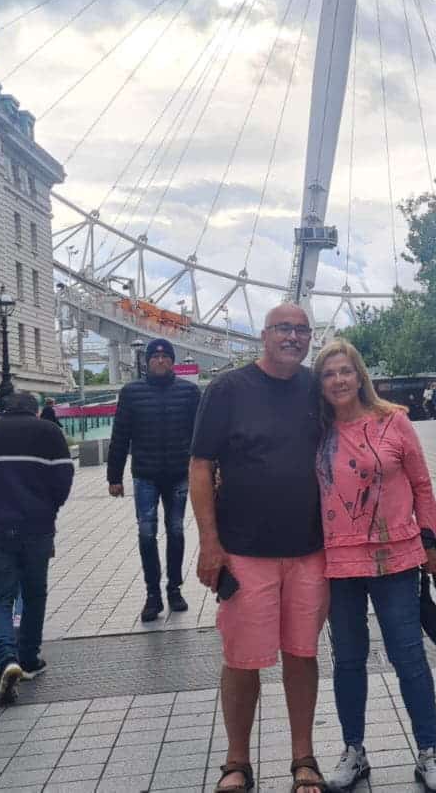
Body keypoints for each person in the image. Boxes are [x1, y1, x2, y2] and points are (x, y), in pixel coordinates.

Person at [190, 304, 329, 793]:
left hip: (310, 548)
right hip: (245, 551)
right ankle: (236, 761)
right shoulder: (227, 389)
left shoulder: (316, 387)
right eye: (283, 328)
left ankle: (303, 757)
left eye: (301, 329)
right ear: (263, 335)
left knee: (302, 654)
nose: (293, 336)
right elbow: (201, 465)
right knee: (242, 659)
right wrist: (209, 543)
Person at [313, 341, 436, 792]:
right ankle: (353, 751)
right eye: (328, 374)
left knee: (408, 656)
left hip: (396, 556)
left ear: (360, 376)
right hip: (337, 559)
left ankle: (429, 752)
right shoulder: (314, 430)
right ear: (319, 383)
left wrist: (430, 543)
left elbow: (421, 484)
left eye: (345, 371)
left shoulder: (394, 421)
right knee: (347, 659)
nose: (338, 380)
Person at [0, 391, 75, 705]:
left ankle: (5, 660)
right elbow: (63, 478)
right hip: (37, 526)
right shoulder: (49, 432)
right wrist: (50, 509)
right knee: (34, 593)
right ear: (35, 411)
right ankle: (29, 658)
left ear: (2, 410)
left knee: (0, 599)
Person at [108, 337, 202, 622]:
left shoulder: (189, 392)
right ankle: (152, 595)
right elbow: (120, 435)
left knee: (176, 531)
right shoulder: (131, 393)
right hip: (145, 475)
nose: (160, 361)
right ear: (148, 362)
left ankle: (174, 589)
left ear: (172, 361)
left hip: (178, 474)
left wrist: (207, 471)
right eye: (155, 357)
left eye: (165, 357)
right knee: (146, 533)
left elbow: (200, 435)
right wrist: (114, 476)